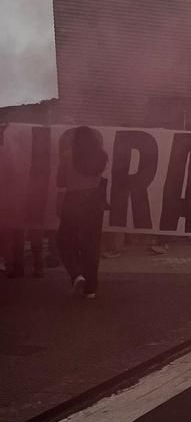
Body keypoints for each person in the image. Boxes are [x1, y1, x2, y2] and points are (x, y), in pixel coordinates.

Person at [57, 127, 109, 299]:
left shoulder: (68, 156)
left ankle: (76, 274)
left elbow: (60, 182)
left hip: (73, 200)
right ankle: (91, 289)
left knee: (64, 241)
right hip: (94, 202)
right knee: (91, 245)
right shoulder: (101, 157)